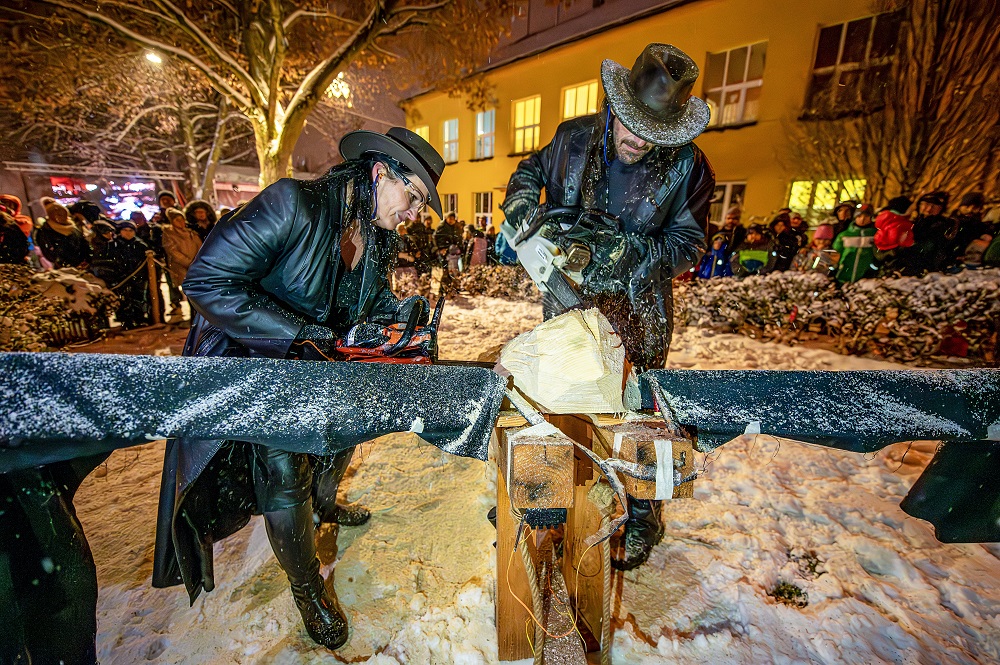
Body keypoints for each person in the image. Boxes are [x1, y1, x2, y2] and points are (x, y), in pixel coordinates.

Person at [151, 127, 445, 651]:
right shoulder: (293, 203)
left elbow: (369, 303)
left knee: (346, 430)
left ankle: (325, 503)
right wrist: (294, 333)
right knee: (284, 471)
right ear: (380, 173)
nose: (415, 213)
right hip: (251, 367)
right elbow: (205, 280)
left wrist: (404, 315)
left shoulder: (374, 235)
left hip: (316, 366)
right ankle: (308, 588)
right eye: (415, 197)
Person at [501, 43, 712, 570]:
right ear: (613, 106)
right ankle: (562, 499)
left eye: (653, 132)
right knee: (564, 397)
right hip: (569, 297)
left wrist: (626, 253)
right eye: (632, 125)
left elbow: (688, 245)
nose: (638, 140)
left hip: (638, 306)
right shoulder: (573, 138)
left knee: (640, 412)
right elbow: (529, 172)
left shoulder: (688, 165)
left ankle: (644, 514)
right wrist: (525, 201)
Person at [111, 219, 152, 329]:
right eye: (125, 230)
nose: (128, 233)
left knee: (138, 298)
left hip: (138, 276)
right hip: (121, 277)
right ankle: (126, 321)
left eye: (131, 230)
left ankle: (139, 318)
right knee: (123, 300)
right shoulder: (113, 245)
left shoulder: (140, 245)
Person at [160, 207, 202, 314]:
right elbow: (173, 251)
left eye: (182, 219)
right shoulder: (169, 234)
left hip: (196, 267)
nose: (181, 222)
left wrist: (198, 261)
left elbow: (201, 248)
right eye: (177, 220)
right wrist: (188, 262)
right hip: (181, 268)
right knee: (191, 292)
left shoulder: (191, 233)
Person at [36, 202, 91, 269]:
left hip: (83, 266)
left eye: (62, 212)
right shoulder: (46, 231)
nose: (59, 215)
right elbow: (48, 252)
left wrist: (87, 259)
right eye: (54, 213)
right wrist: (62, 262)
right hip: (65, 268)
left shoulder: (72, 226)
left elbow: (83, 243)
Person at [832, 203, 877, 284]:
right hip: (843, 275)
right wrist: (835, 266)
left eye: (866, 216)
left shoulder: (875, 235)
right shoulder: (844, 235)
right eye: (859, 216)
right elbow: (836, 253)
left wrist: (873, 266)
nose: (862, 219)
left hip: (866, 277)